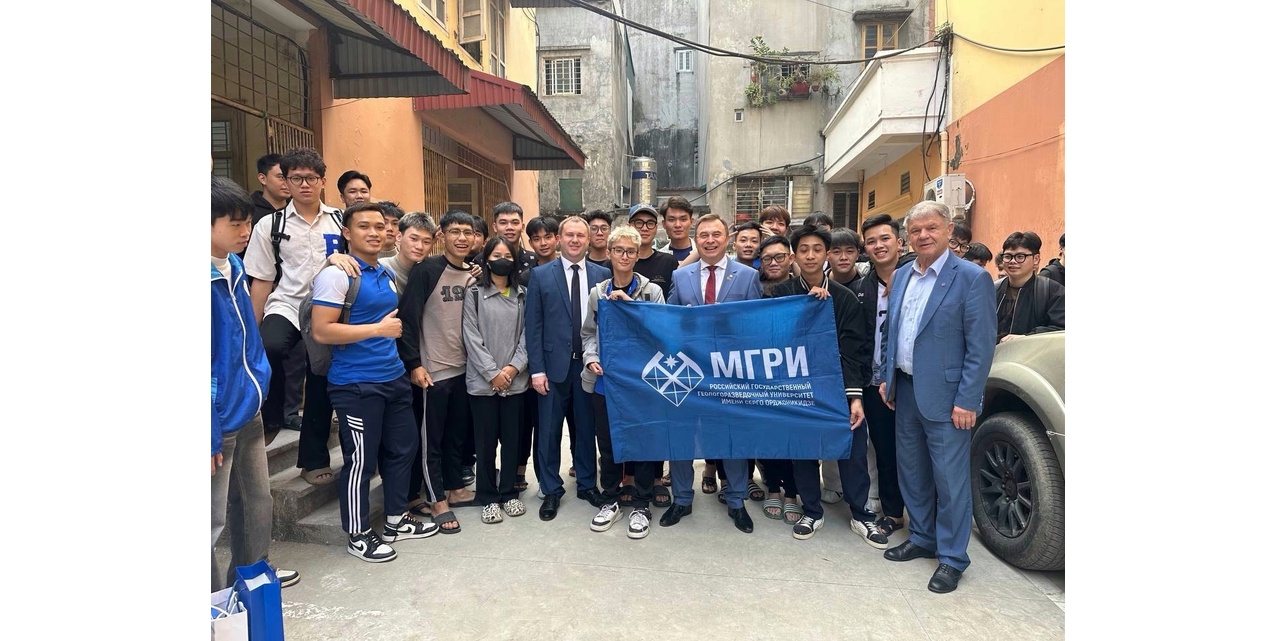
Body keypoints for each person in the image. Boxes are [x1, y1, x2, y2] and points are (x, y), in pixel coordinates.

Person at [879, 200, 996, 594]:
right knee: (912, 471)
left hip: (949, 399)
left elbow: (980, 346)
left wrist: (968, 399)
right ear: (907, 237)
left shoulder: (971, 279)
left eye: (931, 228)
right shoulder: (902, 275)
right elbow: (893, 331)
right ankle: (922, 537)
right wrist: (887, 377)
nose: (923, 235)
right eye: (915, 230)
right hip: (906, 389)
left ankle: (952, 557)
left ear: (949, 230)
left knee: (949, 481)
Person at [312, 201, 439, 562]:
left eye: (379, 227)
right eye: (364, 226)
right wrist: (377, 330)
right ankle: (358, 533)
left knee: (403, 449)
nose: (373, 233)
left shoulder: (383, 272)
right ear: (347, 233)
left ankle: (396, 519)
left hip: (392, 377)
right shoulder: (338, 275)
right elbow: (322, 330)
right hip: (355, 384)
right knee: (361, 462)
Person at [211, 175, 300, 590]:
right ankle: (212, 603)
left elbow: (248, 337)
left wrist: (260, 381)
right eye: (235, 224)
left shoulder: (234, 266)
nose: (245, 231)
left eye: (247, 222)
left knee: (257, 502)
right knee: (211, 519)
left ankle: (251, 579)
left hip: (248, 408)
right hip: (218, 418)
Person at [767, 225, 877, 544]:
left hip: (838, 388)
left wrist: (855, 397)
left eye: (817, 249)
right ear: (794, 256)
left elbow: (855, 350)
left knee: (852, 450)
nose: (811, 255)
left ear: (826, 254)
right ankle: (812, 511)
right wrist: (806, 309)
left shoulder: (844, 298)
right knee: (803, 450)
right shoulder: (781, 295)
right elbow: (773, 338)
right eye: (804, 250)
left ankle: (861, 513)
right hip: (798, 387)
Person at [243, 147, 343, 481]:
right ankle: (272, 416)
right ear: (285, 181)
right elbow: (262, 280)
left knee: (319, 381)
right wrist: (252, 331)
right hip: (286, 305)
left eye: (311, 178)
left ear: (323, 181)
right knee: (269, 347)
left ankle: (314, 462)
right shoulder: (270, 225)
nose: (304, 185)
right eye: (296, 178)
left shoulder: (340, 221)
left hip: (328, 310)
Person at [663, 213, 762, 534]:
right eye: (703, 235)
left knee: (731, 437)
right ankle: (681, 498)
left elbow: (755, 325)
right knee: (681, 435)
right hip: (688, 371)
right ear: (696, 239)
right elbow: (668, 321)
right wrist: (684, 320)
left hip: (729, 371)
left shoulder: (747, 276)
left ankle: (736, 500)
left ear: (727, 238)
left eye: (715, 234)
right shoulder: (681, 276)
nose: (709, 240)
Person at [579, 225, 669, 538]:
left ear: (637, 255)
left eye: (631, 251)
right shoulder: (598, 292)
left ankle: (641, 504)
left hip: (642, 384)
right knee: (608, 445)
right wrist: (591, 357)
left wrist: (630, 306)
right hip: (606, 383)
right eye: (619, 250)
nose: (625, 256)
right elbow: (588, 333)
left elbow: (661, 332)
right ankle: (611, 499)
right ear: (609, 253)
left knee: (642, 443)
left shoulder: (651, 292)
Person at [398, 210, 481, 534]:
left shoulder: (473, 274)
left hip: (465, 370)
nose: (462, 238)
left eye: (468, 232)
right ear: (442, 236)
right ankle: (436, 501)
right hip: (433, 372)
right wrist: (414, 364)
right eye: (455, 231)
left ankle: (455, 488)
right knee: (430, 441)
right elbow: (407, 320)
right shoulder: (427, 271)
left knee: (456, 437)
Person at [525, 216, 611, 521]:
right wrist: (537, 370)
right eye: (570, 235)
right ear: (559, 239)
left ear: (588, 241)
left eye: (580, 236)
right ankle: (551, 489)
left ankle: (587, 484)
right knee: (549, 432)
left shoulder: (602, 274)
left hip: (588, 366)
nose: (575, 240)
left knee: (586, 429)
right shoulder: (540, 275)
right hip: (552, 368)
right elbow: (533, 326)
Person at [852, 213, 914, 541]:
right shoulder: (862, 288)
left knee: (916, 452)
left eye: (885, 238)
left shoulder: (917, 279)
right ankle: (893, 512)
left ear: (899, 242)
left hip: (910, 380)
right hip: (874, 383)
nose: (878, 245)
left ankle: (926, 518)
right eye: (871, 241)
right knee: (886, 451)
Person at [462, 237, 531, 524]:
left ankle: (509, 493)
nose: (502, 260)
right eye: (496, 255)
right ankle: (488, 497)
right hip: (483, 383)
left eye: (508, 255)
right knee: (485, 443)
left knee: (512, 442)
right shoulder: (474, 293)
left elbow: (528, 336)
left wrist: (513, 369)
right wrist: (492, 373)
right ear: (486, 259)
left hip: (515, 382)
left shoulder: (522, 294)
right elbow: (470, 335)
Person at [754, 235, 802, 524]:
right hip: (761, 373)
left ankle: (792, 492)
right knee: (767, 433)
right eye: (767, 259)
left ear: (790, 258)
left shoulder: (805, 290)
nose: (773, 263)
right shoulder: (754, 292)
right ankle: (773, 487)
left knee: (794, 435)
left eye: (779, 257)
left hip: (795, 373)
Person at [996, 231, 1065, 343]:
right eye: (1008, 256)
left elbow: (1061, 329)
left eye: (1020, 257)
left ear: (1036, 259)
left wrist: (1026, 337)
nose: (1013, 261)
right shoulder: (993, 290)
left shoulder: (1052, 292)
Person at [629, 203, 679, 298]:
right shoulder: (618, 262)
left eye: (650, 223)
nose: (644, 228)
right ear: (629, 226)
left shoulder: (668, 262)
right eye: (639, 223)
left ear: (656, 228)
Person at [379, 212, 436, 291]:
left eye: (426, 242)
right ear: (399, 237)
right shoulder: (382, 268)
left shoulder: (430, 272)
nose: (420, 247)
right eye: (414, 239)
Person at [492, 202, 538, 286]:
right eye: (503, 223)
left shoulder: (534, 260)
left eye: (515, 223)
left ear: (522, 227)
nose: (509, 227)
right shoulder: (482, 260)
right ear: (495, 227)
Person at [250, 153, 290, 228]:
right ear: (262, 179)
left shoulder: (298, 208)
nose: (288, 182)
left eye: (291, 178)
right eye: (281, 177)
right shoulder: (248, 210)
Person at [658, 196, 696, 263]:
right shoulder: (658, 259)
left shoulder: (703, 254)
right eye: (671, 220)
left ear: (691, 222)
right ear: (664, 224)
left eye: (683, 219)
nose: (678, 225)